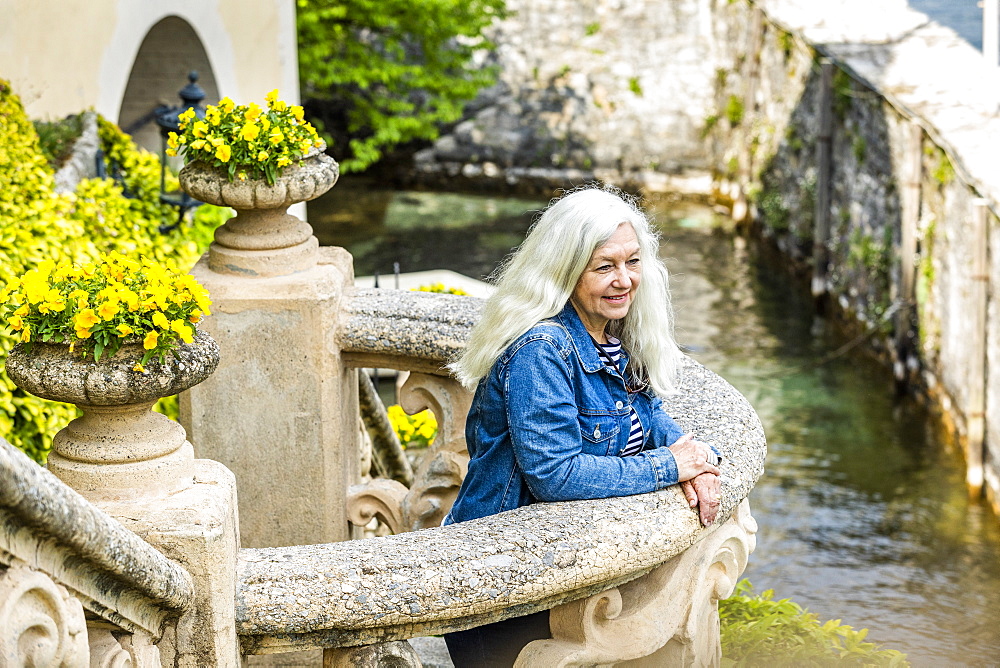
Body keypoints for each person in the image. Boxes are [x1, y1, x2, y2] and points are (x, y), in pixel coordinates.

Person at [442, 185, 723, 667]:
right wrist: (668, 466)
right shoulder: (541, 350)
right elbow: (556, 475)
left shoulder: (611, 332)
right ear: (566, 272)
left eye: (632, 262)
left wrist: (690, 457)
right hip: (505, 583)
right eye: (604, 267)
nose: (625, 280)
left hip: (564, 572)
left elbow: (646, 412)